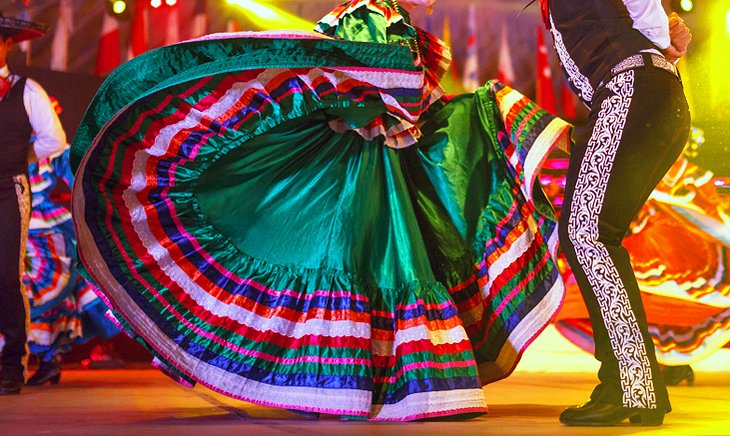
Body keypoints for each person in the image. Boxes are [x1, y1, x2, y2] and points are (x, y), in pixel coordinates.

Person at [71, 0, 572, 420]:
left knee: (382, 259)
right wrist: (401, 109)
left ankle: (373, 382)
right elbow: (348, 90)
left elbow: (413, 103)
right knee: (363, 261)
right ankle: (354, 382)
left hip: (383, 169)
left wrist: (449, 116)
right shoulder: (369, 14)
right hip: (353, 171)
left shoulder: (400, 24)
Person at [538, 0, 693, 426]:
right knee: (592, 235)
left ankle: (630, 386)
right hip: (647, 93)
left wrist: (664, 36)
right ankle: (633, 386)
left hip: (633, 87)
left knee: (587, 234)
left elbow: (646, 13)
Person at [0, 13, 65, 396]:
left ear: (7, 44)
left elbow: (53, 141)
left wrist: (17, 157)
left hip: (8, 189)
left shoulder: (26, 91)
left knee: (6, 275)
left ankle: (11, 366)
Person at [23, 143, 120, 387]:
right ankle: (37, 360)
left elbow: (77, 177)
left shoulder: (48, 145)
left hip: (42, 226)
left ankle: (49, 360)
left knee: (48, 287)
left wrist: (95, 208)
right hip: (17, 221)